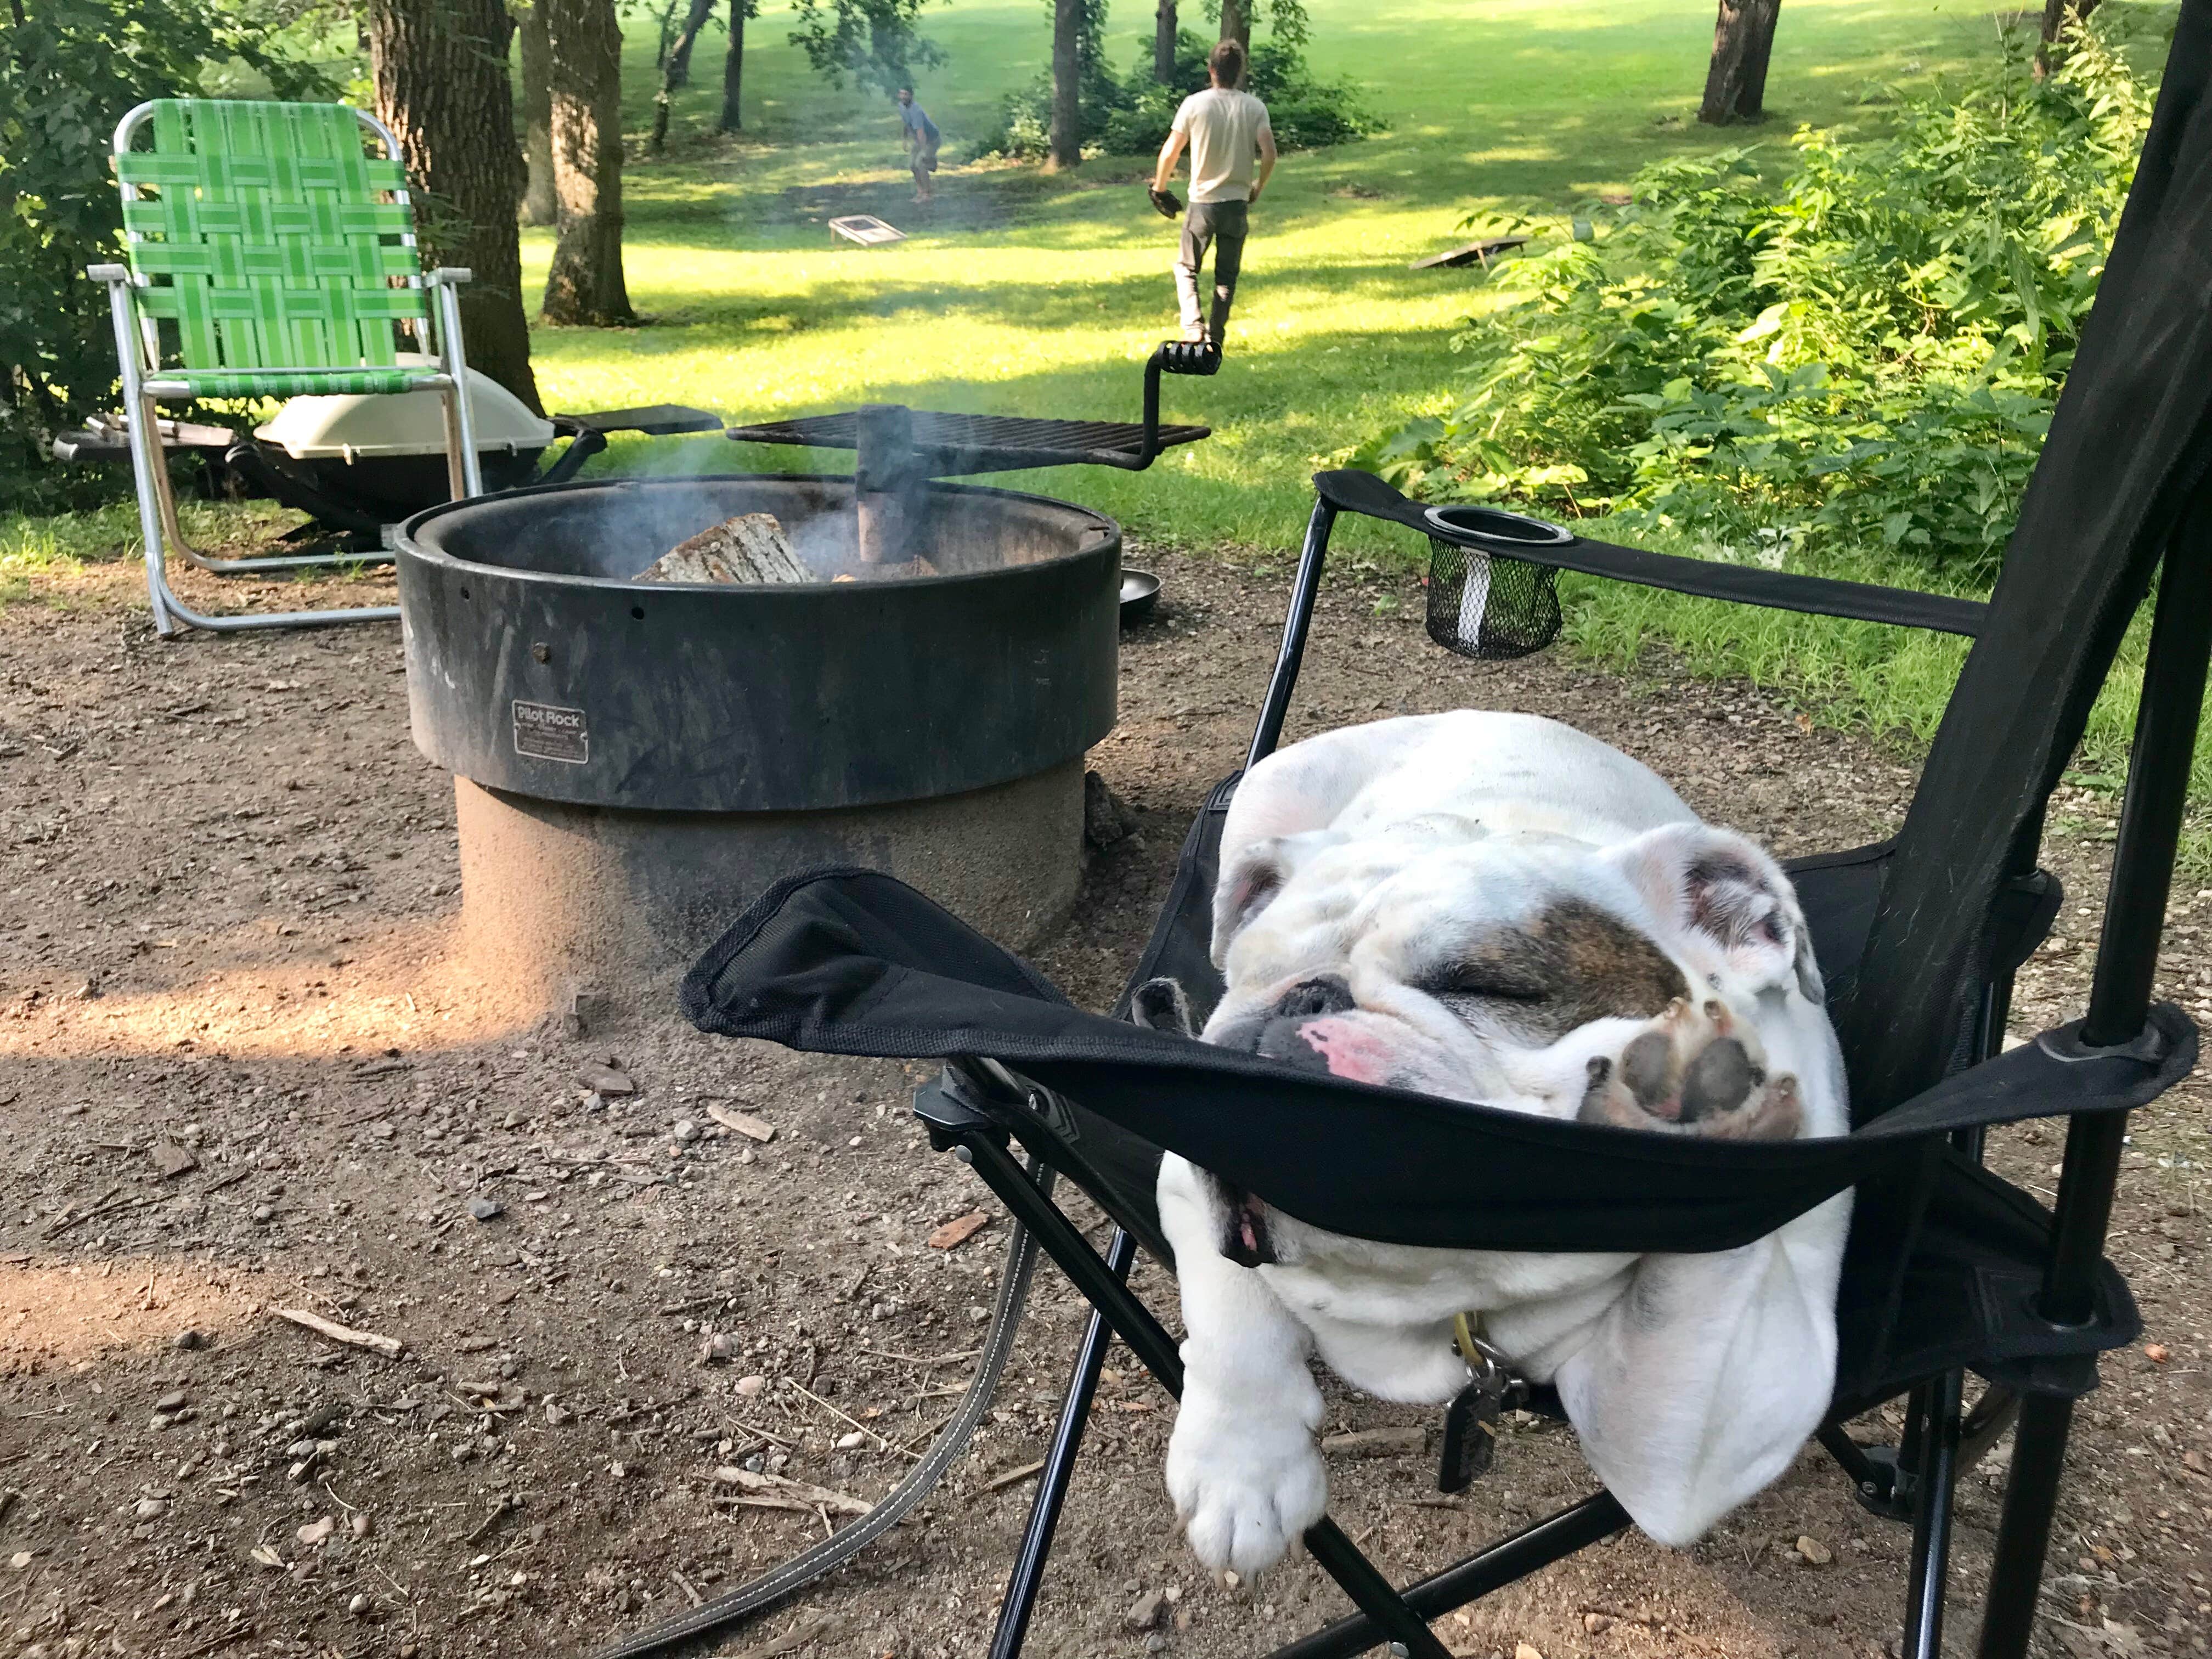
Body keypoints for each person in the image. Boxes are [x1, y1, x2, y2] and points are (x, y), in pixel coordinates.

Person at [1151, 40, 1277, 347]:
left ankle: (1193, 328)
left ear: (1211, 70)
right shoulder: (1254, 107)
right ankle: (1216, 336)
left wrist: (1160, 187)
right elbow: (1270, 153)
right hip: (1236, 202)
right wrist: (1257, 187)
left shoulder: (1195, 104)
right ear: (1240, 72)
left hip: (1203, 204)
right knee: (1226, 275)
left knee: (1186, 267)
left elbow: (1170, 152)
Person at [896, 87, 940, 204]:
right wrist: (905, 140)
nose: (903, 96)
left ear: (911, 96)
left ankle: (927, 194)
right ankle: (920, 192)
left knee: (921, 163)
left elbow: (921, 132)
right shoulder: (901, 107)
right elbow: (906, 123)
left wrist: (924, 150)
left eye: (906, 94)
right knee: (912, 165)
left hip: (931, 139)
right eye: (901, 94)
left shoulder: (916, 111)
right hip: (918, 139)